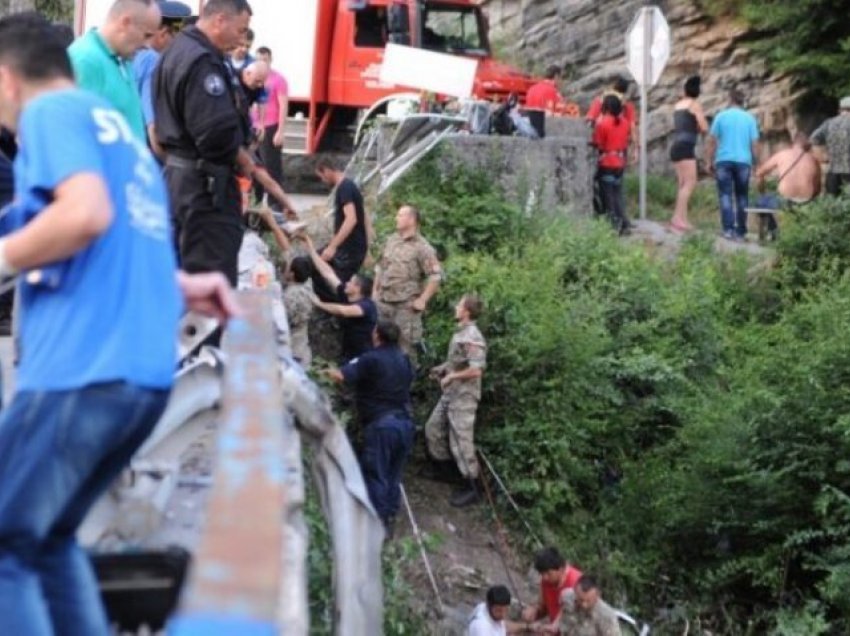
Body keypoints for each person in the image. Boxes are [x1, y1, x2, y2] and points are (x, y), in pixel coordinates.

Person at [0, 13, 238, 634]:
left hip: (81, 372)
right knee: (49, 540)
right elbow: (132, 243)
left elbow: (85, 216)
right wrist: (184, 283)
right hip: (141, 378)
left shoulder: (52, 114)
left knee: (6, 550)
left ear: (5, 80)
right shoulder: (123, 140)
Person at [154, 0, 253, 286]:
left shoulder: (175, 50)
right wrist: (239, 154)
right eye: (241, 29)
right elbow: (215, 133)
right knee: (210, 287)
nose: (241, 39)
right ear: (220, 20)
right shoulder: (201, 61)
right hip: (205, 186)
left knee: (182, 280)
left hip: (178, 178)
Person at [328, 319, 415, 536]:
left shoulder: (370, 358)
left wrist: (321, 371)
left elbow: (341, 376)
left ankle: (373, 529)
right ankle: (388, 521)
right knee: (393, 476)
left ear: (376, 335)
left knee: (376, 475)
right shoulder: (405, 360)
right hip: (405, 424)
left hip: (382, 427)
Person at [424, 294, 487, 508]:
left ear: (467, 311)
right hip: (451, 393)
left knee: (461, 442)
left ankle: (473, 487)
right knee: (433, 429)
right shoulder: (461, 333)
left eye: (459, 304)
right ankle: (447, 473)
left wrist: (451, 377)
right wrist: (443, 369)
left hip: (464, 397)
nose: (456, 307)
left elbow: (476, 370)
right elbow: (458, 362)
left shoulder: (473, 336)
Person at [68, 0, 162, 143]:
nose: (147, 46)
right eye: (146, 35)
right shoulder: (85, 60)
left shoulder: (123, 58)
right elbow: (73, 132)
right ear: (125, 23)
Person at [374, 205, 442, 361]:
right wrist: (374, 291)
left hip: (405, 307)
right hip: (384, 303)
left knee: (404, 351)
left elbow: (435, 276)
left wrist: (422, 300)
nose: (396, 218)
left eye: (400, 215)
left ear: (411, 219)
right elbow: (380, 267)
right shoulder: (391, 240)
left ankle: (404, 383)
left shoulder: (423, 247)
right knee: (380, 347)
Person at [301, 233, 377, 362]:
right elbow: (328, 273)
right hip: (348, 350)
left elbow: (343, 311)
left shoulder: (367, 305)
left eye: (351, 282)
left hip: (363, 356)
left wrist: (318, 303)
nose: (346, 283)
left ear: (358, 289)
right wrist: (311, 248)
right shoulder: (346, 294)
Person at [132, 0, 192, 158]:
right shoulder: (154, 62)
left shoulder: (131, 56)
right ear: (164, 33)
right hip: (146, 153)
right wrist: (169, 163)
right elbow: (153, 126)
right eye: (176, 37)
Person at [705, 88, 761, 240]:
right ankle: (741, 231)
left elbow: (711, 141)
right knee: (742, 196)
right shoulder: (750, 119)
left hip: (723, 161)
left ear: (730, 100)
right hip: (744, 162)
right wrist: (757, 163)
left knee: (725, 195)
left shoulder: (721, 117)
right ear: (742, 102)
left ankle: (728, 229)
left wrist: (709, 161)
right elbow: (755, 143)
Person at [313, 157, 371, 300]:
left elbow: (351, 219)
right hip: (350, 248)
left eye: (321, 177)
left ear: (326, 171)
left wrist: (332, 247)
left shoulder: (345, 187)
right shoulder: (348, 186)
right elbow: (364, 218)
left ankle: (340, 313)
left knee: (338, 287)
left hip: (349, 252)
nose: (323, 181)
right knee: (314, 262)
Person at [754, 131, 822, 240]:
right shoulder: (813, 160)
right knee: (803, 207)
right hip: (806, 202)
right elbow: (818, 187)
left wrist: (762, 191)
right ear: (807, 145)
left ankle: (775, 232)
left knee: (761, 202)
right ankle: (801, 234)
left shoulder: (782, 154)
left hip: (785, 201)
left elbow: (759, 173)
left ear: (793, 143)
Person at [669, 76, 709, 232]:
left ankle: (682, 218)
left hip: (677, 146)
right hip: (686, 147)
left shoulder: (677, 105)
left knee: (682, 184)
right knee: (690, 183)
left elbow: (685, 124)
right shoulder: (694, 105)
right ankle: (678, 219)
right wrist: (700, 126)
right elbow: (704, 127)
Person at [253, 46, 289, 209]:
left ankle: (276, 206)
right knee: (254, 166)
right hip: (255, 128)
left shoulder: (278, 79)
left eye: (265, 59)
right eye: (259, 59)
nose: (262, 63)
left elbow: (283, 106)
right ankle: (257, 202)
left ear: (270, 60)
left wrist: (280, 131)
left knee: (272, 168)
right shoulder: (253, 78)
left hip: (271, 127)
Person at [592, 94, 632, 235]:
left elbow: (598, 144)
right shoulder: (625, 122)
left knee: (607, 196)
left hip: (607, 163)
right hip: (620, 163)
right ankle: (624, 224)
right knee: (617, 194)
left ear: (606, 107)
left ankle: (615, 226)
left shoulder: (602, 123)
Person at [519, 547, 584, 632]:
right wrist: (534, 611)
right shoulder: (546, 581)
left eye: (548, 573)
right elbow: (543, 607)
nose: (545, 577)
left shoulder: (577, 583)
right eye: (542, 574)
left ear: (560, 569)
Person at [810, 96, 850, 196]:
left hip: (833, 170)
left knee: (832, 201)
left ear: (840, 110)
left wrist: (823, 155)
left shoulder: (829, 123)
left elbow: (813, 138)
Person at [282, 255, 313, 368]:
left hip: (291, 349)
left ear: (292, 274)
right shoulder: (308, 286)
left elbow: (283, 323)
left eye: (288, 268)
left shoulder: (290, 296)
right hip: (302, 346)